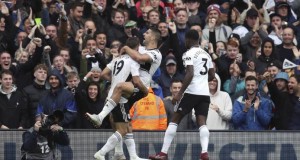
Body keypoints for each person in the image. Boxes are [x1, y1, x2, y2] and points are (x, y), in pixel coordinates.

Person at [149, 30, 215, 160]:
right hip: (204, 94)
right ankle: (204, 153)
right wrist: (201, 81)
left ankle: (163, 153)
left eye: (185, 39)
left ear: (189, 39)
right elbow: (212, 75)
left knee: (175, 119)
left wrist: (179, 93)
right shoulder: (206, 54)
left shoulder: (188, 54)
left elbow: (189, 73)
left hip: (191, 92)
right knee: (202, 123)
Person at [89, 37, 149, 160]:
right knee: (123, 129)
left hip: (110, 96)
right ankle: (101, 153)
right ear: (137, 48)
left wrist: (115, 81)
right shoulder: (133, 61)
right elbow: (137, 81)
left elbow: (103, 74)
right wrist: (145, 90)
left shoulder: (117, 59)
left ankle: (127, 155)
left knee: (127, 127)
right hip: (120, 99)